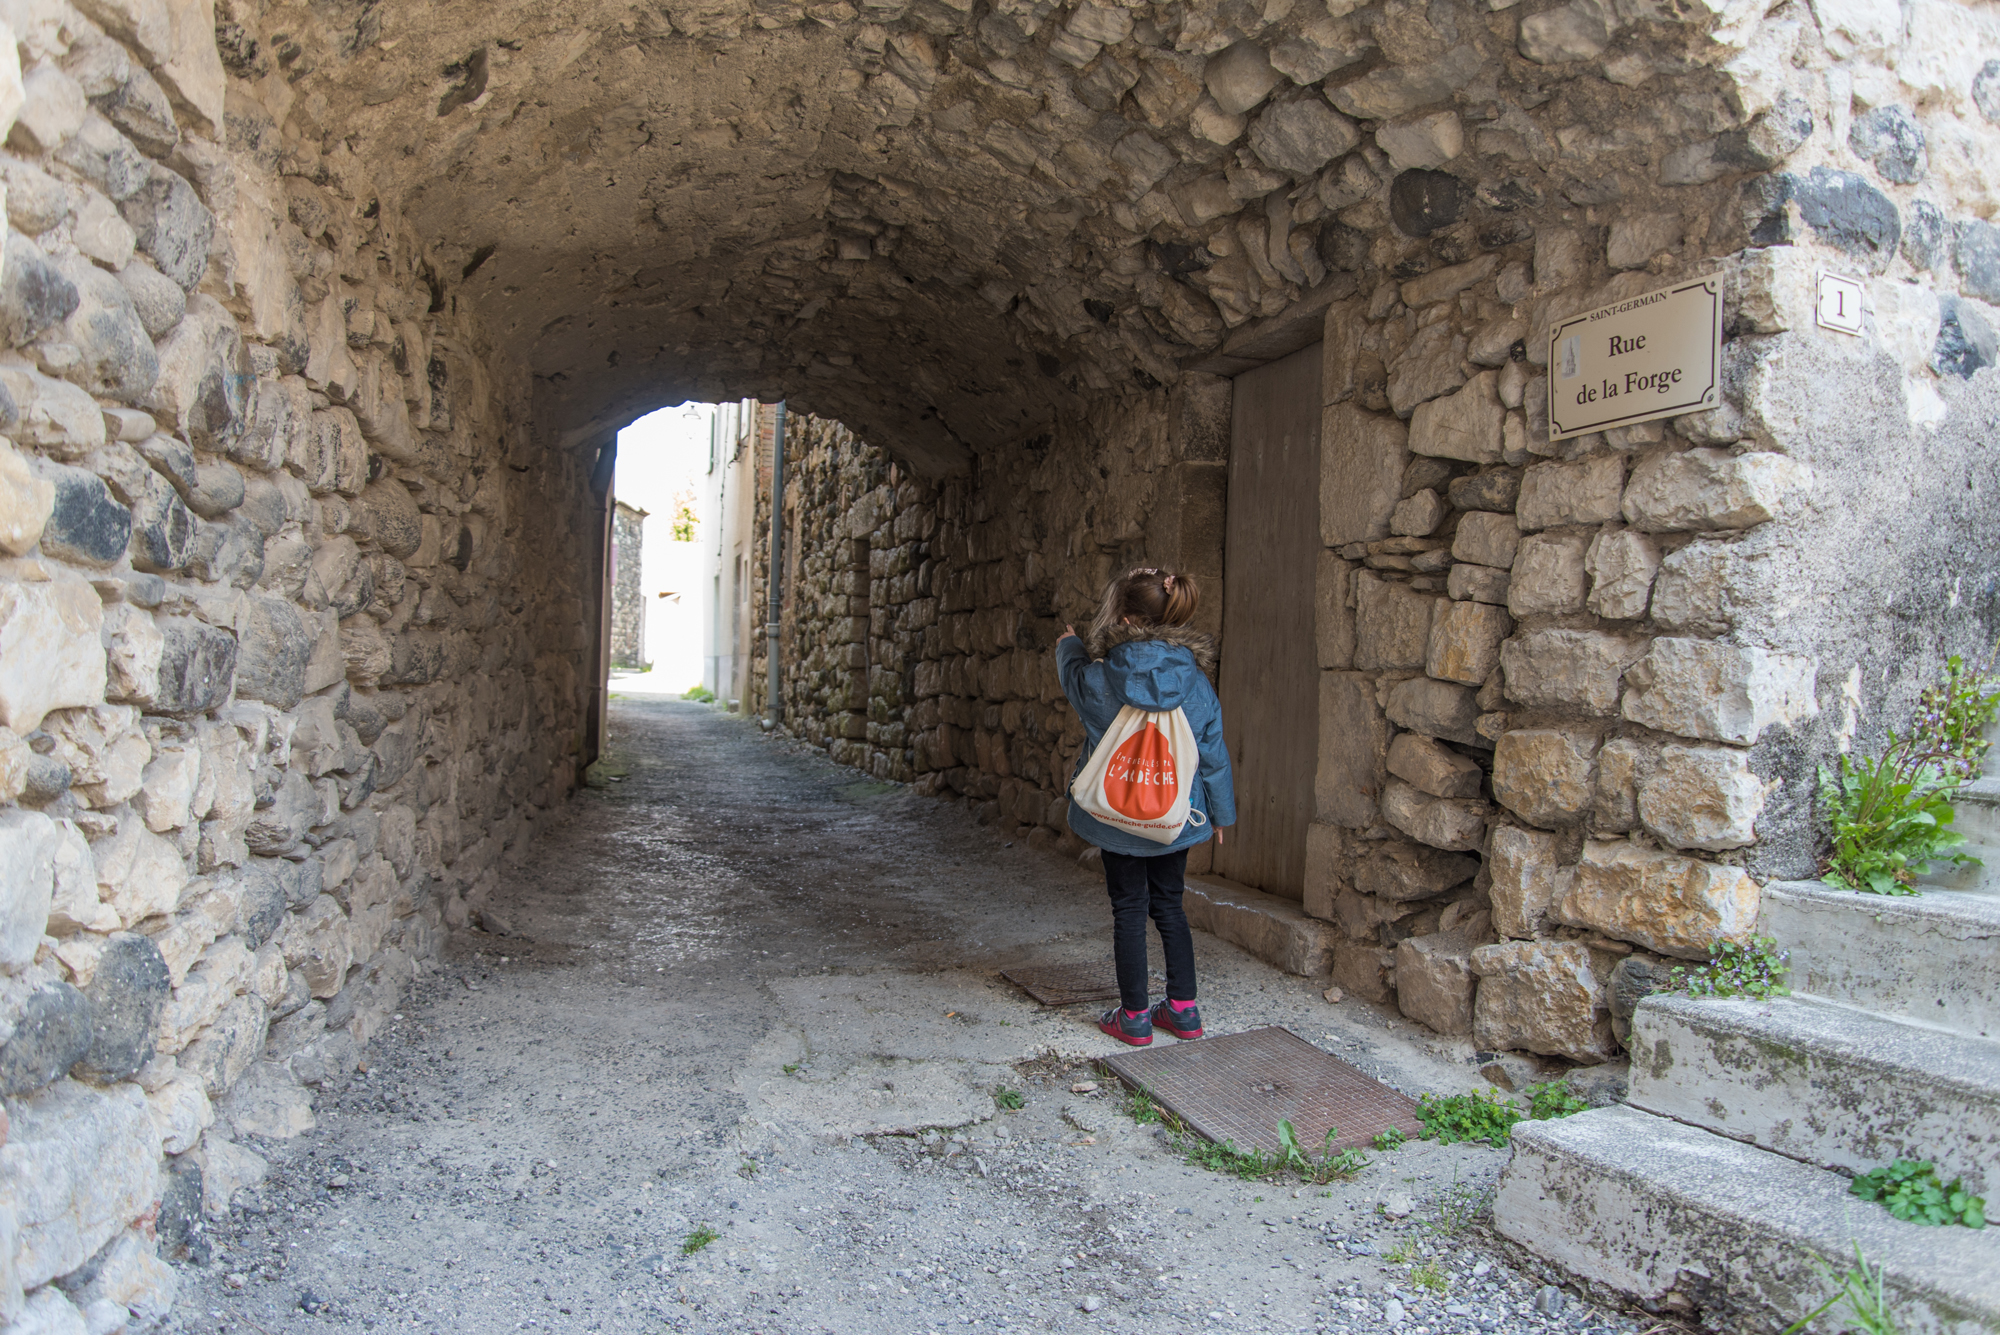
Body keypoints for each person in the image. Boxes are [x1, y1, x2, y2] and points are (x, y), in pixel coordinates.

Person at [1056, 566, 1235, 1047]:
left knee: (1129, 909)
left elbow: (1071, 677)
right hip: (1176, 815)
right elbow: (1212, 751)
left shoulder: (1098, 679)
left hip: (1117, 818)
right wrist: (1221, 813)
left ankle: (1133, 1017)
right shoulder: (1195, 682)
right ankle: (1183, 1011)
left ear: (1127, 621)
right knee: (1171, 908)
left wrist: (1069, 643)